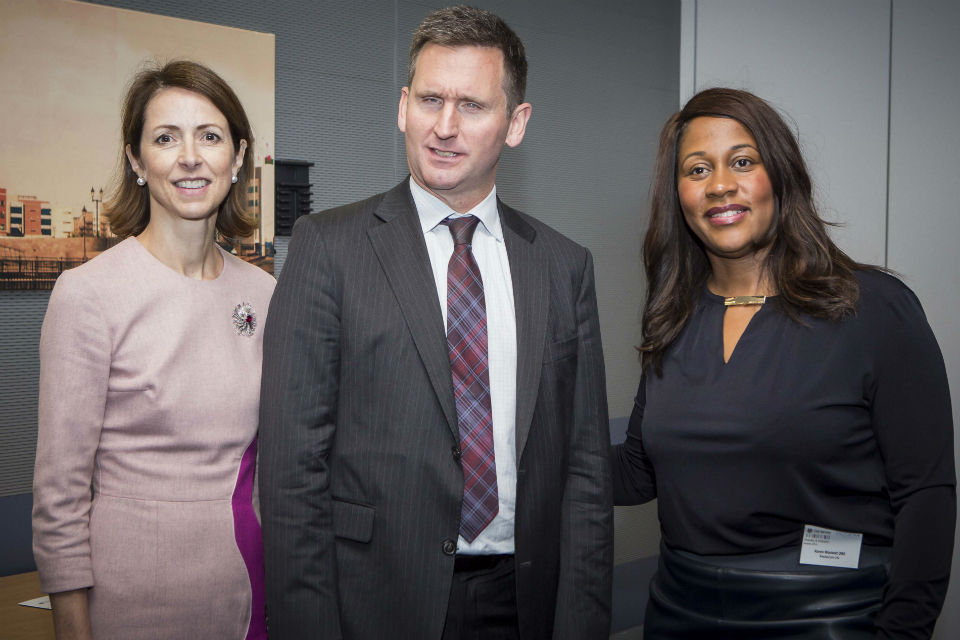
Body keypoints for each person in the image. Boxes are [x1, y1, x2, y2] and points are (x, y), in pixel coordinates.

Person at [258, 6, 612, 639]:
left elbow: (585, 470)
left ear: (516, 123)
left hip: (523, 599)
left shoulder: (563, 266)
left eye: (472, 106)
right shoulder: (328, 247)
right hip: (373, 601)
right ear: (402, 107)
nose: (444, 127)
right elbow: (292, 474)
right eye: (430, 99)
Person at [612, 87, 956, 638]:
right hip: (680, 612)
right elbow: (636, 472)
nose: (720, 184)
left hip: (832, 611)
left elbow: (926, 495)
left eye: (742, 162)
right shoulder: (671, 317)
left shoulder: (873, 309)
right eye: (698, 169)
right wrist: (508, 456)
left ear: (781, 174)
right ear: (679, 194)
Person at [32, 60, 275, 640]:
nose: (190, 157)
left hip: (250, 593)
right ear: (138, 161)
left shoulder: (265, 294)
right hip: (133, 604)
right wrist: (71, 626)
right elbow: (60, 493)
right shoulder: (88, 294)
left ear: (237, 157)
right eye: (166, 138)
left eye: (209, 136)